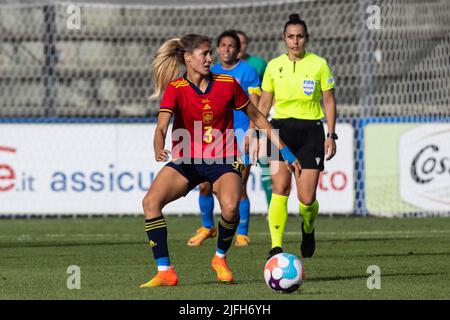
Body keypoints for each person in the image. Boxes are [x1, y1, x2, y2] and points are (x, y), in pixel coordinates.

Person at [140, 33, 301, 287]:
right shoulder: (176, 88)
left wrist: (286, 150)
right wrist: (159, 148)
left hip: (223, 159)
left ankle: (219, 258)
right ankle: (165, 271)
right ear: (187, 58)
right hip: (188, 161)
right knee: (150, 202)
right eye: (204, 54)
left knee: (230, 208)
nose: (209, 58)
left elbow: (258, 117)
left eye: (209, 53)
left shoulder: (227, 83)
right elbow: (161, 127)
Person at [258, 14, 337, 260]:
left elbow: (329, 101)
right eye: (291, 37)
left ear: (306, 38)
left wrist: (331, 135)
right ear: (284, 38)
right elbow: (264, 103)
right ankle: (276, 247)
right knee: (280, 188)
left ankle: (308, 228)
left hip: (311, 132)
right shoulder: (273, 66)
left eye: (299, 36)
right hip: (280, 130)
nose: (295, 41)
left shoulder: (319, 64)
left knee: (306, 199)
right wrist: (257, 133)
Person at [187, 30, 261, 248]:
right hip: (213, 136)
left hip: (239, 135)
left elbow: (255, 106)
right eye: (222, 45)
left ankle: (243, 233)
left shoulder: (248, 72)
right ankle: (207, 227)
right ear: (217, 49)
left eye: (231, 45)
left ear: (238, 49)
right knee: (204, 186)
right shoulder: (210, 71)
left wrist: (251, 132)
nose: (226, 49)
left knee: (239, 188)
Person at [235, 30, 273, 208]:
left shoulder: (258, 64)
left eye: (242, 42)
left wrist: (266, 113)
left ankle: (272, 211)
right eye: (236, 42)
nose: (239, 46)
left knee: (267, 164)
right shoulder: (222, 69)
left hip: (259, 119)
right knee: (238, 178)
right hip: (236, 126)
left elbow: (270, 89)